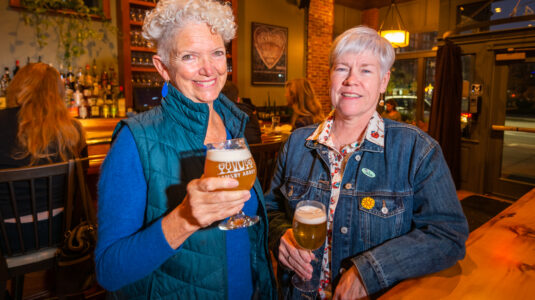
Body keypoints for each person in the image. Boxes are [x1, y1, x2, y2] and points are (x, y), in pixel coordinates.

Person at [266, 26, 468, 299]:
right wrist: (280, 236)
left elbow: (448, 236)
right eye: (342, 69)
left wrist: (369, 271)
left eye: (366, 70)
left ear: (383, 82)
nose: (351, 80)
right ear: (330, 77)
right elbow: (269, 208)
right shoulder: (296, 143)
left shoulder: (417, 150)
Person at [94, 0, 276, 299]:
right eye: (190, 56)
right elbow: (110, 271)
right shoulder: (135, 141)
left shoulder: (234, 123)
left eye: (217, 53)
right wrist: (185, 219)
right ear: (163, 67)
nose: (209, 69)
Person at [0, 62, 87, 252]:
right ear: (59, 93)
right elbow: (81, 188)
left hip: (7, 239)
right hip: (60, 233)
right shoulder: (73, 131)